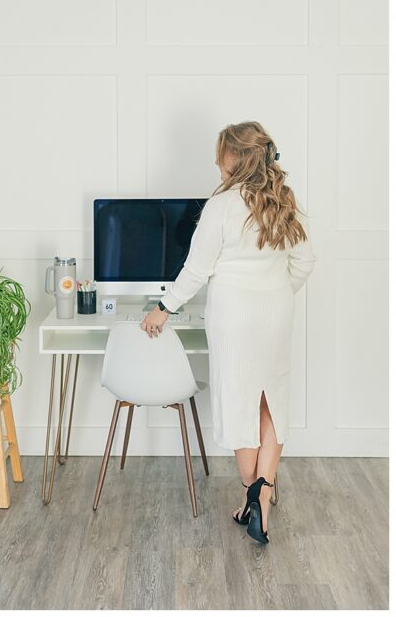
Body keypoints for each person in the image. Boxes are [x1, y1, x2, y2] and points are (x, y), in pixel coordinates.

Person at [140, 121, 314, 545]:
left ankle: (250, 495)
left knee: (239, 404)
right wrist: (276, 294)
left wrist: (164, 309)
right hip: (277, 312)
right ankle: (263, 496)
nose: (216, 162)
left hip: (234, 317)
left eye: (221, 154)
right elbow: (304, 262)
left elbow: (197, 269)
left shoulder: (222, 204)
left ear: (236, 157)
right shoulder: (283, 199)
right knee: (271, 399)